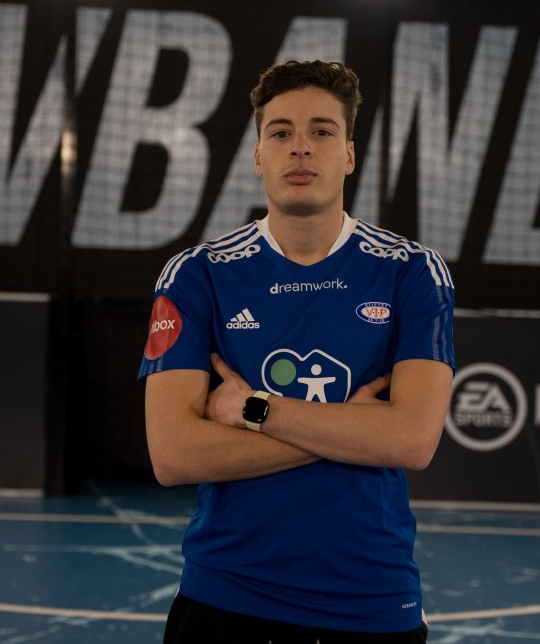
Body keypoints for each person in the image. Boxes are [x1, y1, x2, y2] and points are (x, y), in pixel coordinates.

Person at [140, 59, 456, 643]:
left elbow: (411, 440)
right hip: (224, 596)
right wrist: (354, 429)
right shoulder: (197, 274)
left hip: (371, 599)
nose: (300, 147)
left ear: (350, 155)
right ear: (259, 156)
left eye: (322, 131)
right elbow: (173, 455)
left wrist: (255, 410)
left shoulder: (412, 271)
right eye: (281, 132)